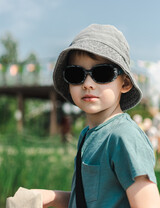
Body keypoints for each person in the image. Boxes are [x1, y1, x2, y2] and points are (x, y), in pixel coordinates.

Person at [32, 24, 160, 207]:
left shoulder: (123, 136)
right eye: (76, 74)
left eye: (102, 73)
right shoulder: (87, 135)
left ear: (125, 83)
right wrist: (47, 197)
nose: (88, 84)